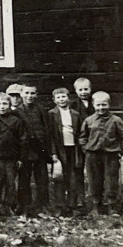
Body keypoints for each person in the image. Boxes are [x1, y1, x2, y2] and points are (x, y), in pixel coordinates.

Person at [80, 91, 123, 215]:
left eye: (104, 105)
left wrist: (120, 152)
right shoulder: (89, 120)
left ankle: (111, 206)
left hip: (111, 155)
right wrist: (86, 149)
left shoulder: (116, 120)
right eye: (98, 105)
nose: (101, 108)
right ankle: (96, 206)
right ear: (93, 105)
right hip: (93, 155)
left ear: (109, 104)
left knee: (111, 180)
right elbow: (82, 137)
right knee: (94, 179)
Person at [48, 87, 83, 215]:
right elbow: (51, 135)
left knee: (73, 177)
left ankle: (72, 205)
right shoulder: (51, 114)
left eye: (64, 96)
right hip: (59, 150)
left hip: (73, 149)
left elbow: (79, 133)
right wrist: (53, 153)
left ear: (69, 98)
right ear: (54, 100)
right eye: (58, 97)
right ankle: (59, 206)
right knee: (59, 177)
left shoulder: (75, 114)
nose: (61, 99)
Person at [18, 83, 50, 216]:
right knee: (24, 179)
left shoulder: (41, 109)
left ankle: (42, 205)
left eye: (32, 93)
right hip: (25, 150)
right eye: (26, 93)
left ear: (36, 95)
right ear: (21, 94)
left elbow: (47, 129)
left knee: (42, 179)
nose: (29, 96)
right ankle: (25, 206)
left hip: (40, 149)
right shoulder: (18, 111)